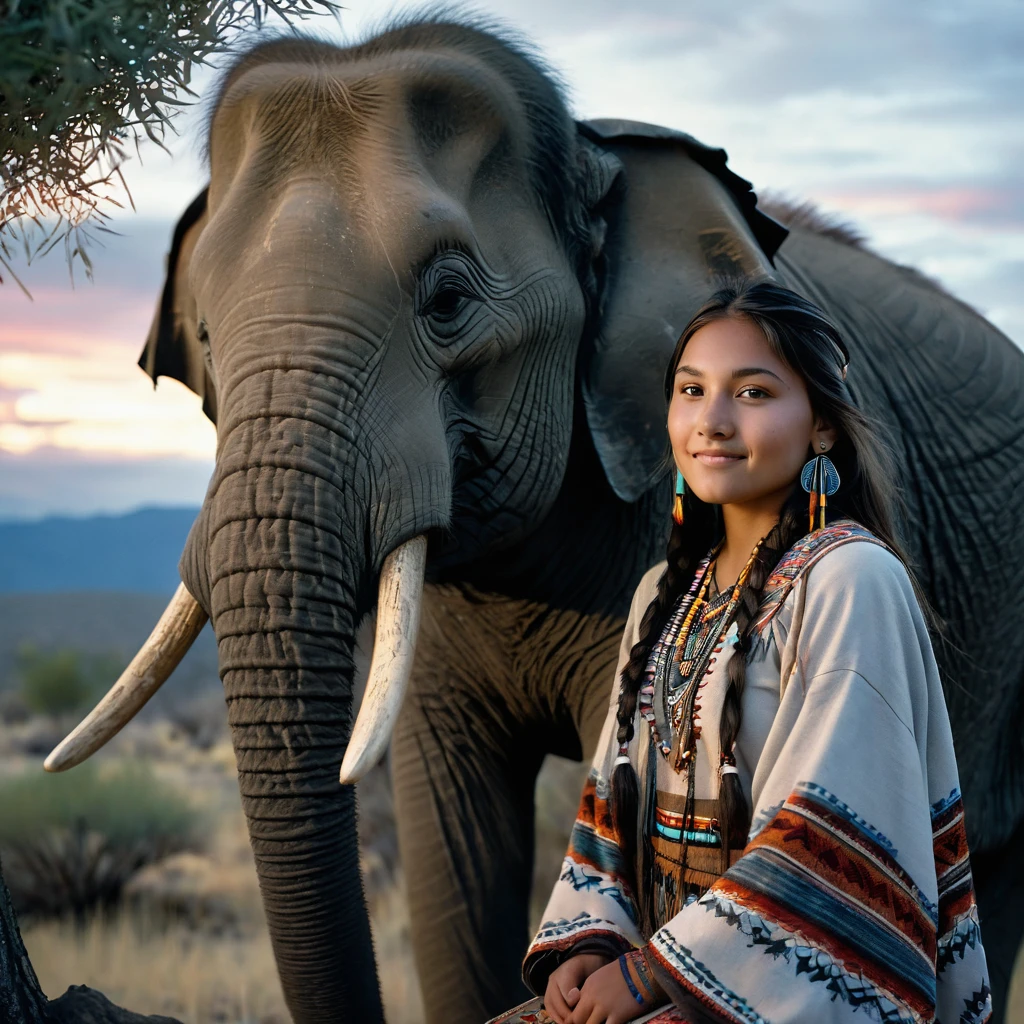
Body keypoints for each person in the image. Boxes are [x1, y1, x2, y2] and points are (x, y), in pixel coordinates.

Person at [505, 281, 992, 1024]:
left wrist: (653, 974)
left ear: (822, 426)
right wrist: (594, 946)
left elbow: (825, 840)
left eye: (754, 393)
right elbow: (608, 800)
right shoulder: (662, 598)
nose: (713, 420)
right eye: (691, 390)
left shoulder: (850, 578)